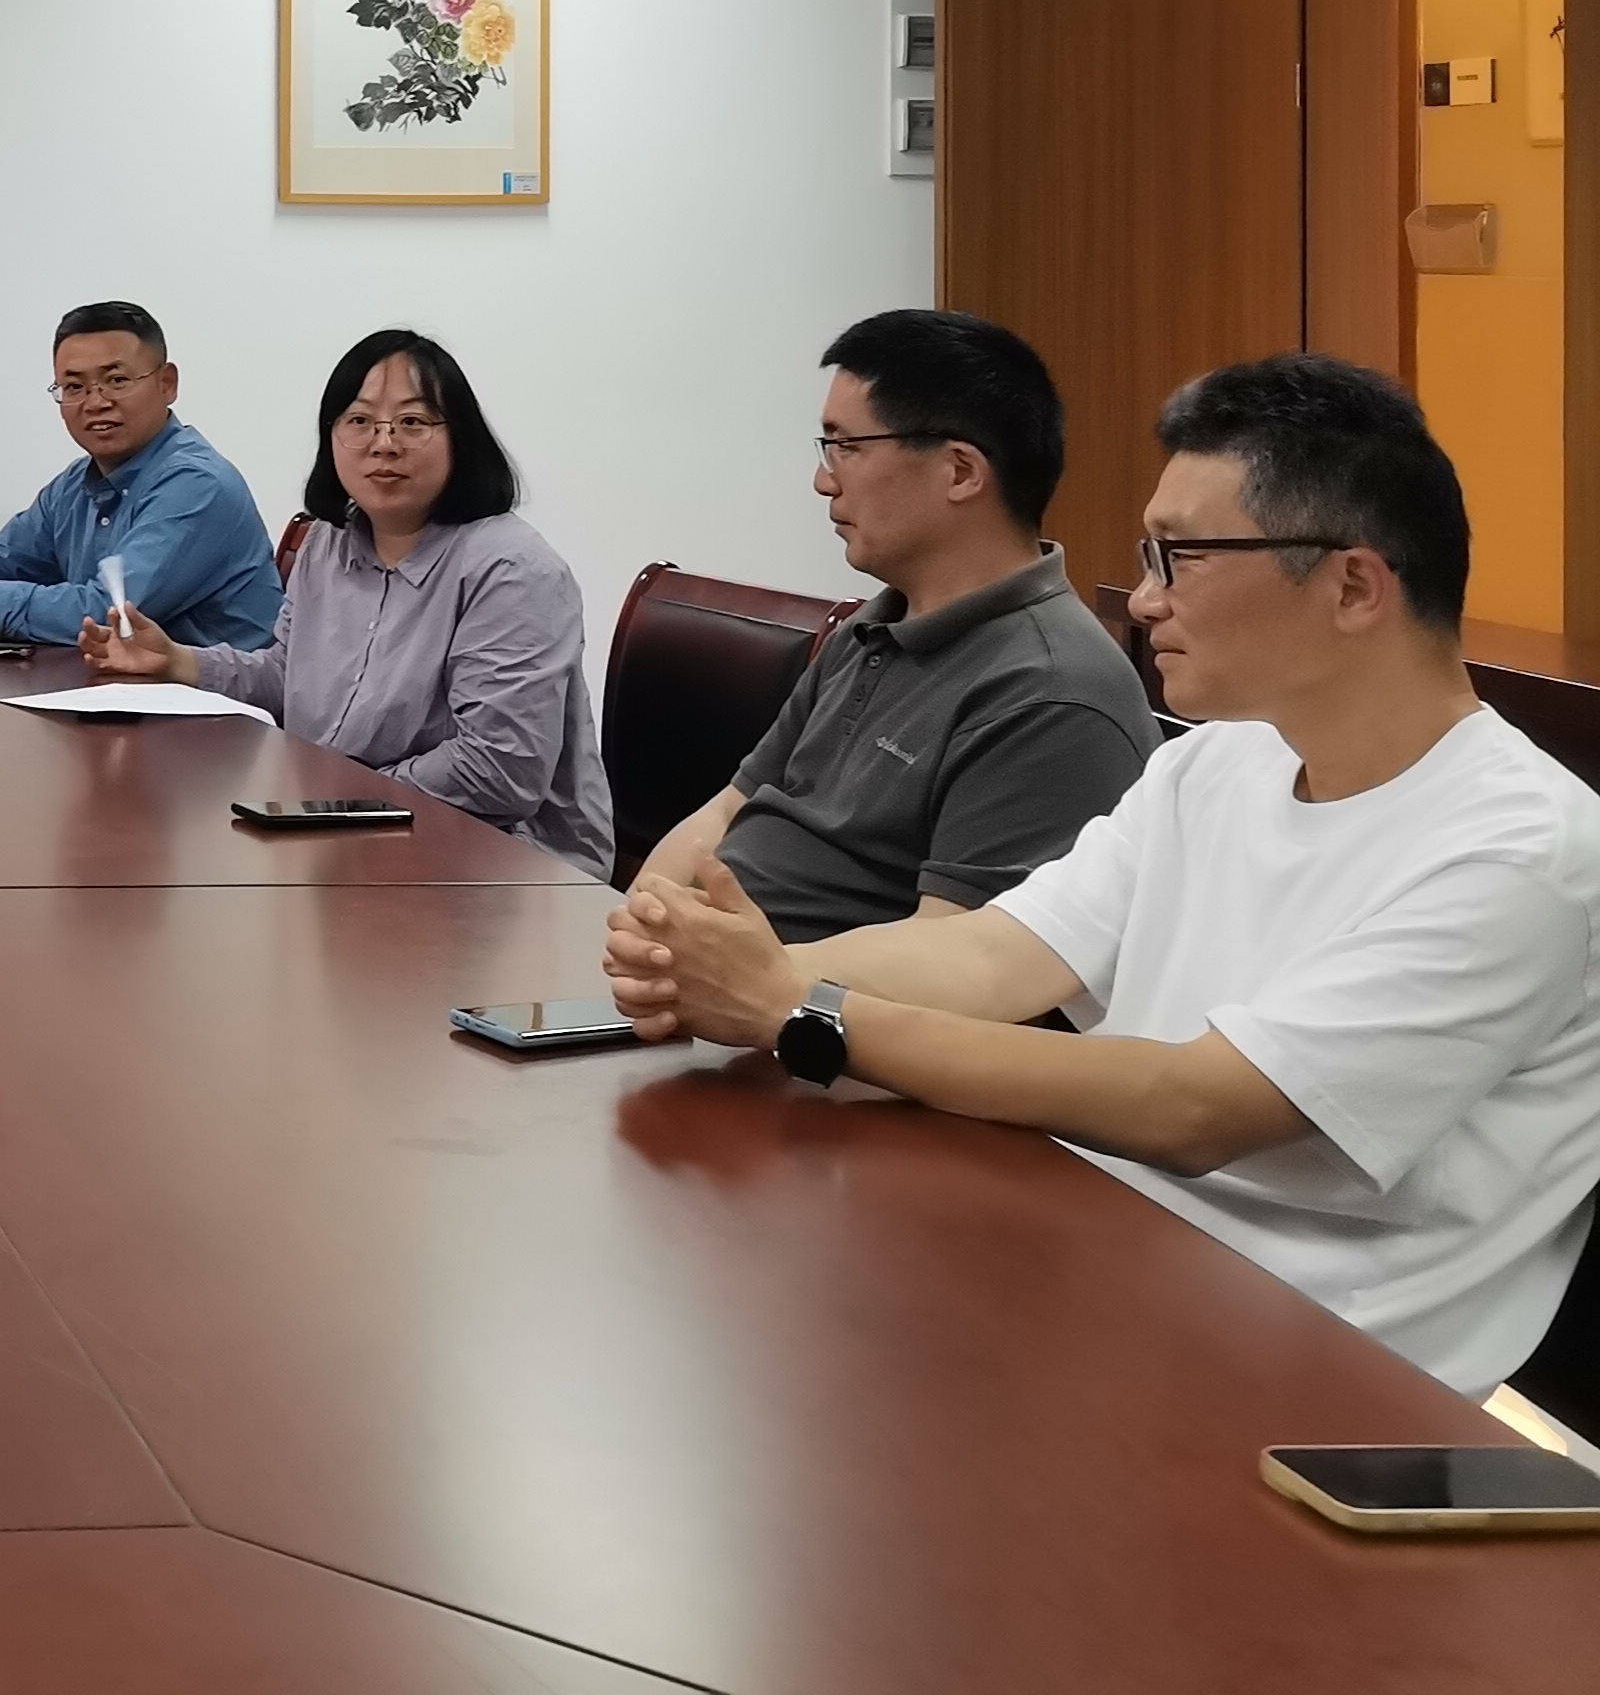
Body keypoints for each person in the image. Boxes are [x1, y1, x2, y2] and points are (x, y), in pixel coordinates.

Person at [603, 356, 1600, 1400]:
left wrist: (798, 1009)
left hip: (1312, 1376)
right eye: (1148, 556)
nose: (1146, 600)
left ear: (1353, 585)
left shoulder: (1520, 852)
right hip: (1104, 1266)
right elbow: (994, 954)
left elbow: (1195, 1107)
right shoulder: (1217, 762)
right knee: (722, 1317)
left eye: (1183, 558)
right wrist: (738, 969)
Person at [629, 309, 1155, 935]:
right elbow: (723, 814)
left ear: (960, 471)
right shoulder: (872, 627)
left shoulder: (1051, 691)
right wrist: (636, 933)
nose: (823, 481)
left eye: (847, 447)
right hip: (705, 974)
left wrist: (723, 973)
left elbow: (954, 959)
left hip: (790, 994)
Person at [82, 329, 609, 876]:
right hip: (354, 833)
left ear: (461, 439)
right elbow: (288, 674)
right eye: (359, 421)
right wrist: (176, 661)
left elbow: (499, 771)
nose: (384, 444)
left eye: (413, 422)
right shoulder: (329, 542)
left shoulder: (511, 570)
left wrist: (339, 801)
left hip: (504, 863)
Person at [0, 299, 282, 650]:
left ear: (167, 383)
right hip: (119, 693)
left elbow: (106, 615)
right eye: (73, 387)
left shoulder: (196, 483)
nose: (96, 402)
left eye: (116, 380)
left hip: (212, 707)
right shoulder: (76, 483)